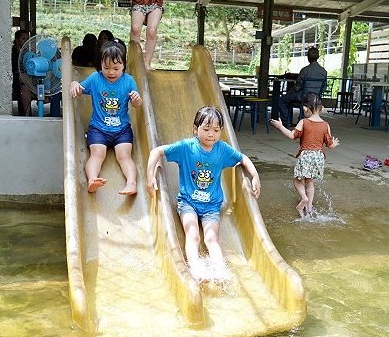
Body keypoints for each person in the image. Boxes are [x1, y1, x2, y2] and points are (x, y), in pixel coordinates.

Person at [146, 106, 261, 280]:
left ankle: (220, 270)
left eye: (216, 130)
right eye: (206, 129)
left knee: (211, 239)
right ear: (195, 129)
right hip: (188, 203)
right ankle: (196, 268)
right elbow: (157, 151)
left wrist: (255, 176)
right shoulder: (186, 147)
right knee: (192, 234)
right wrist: (150, 177)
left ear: (221, 131)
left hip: (211, 206)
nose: (211, 134)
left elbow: (242, 158)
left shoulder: (222, 149)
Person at [69, 39, 142, 195]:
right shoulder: (96, 78)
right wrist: (75, 83)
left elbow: (137, 104)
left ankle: (131, 183)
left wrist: (136, 99)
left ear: (124, 66)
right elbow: (80, 89)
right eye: (106, 67)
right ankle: (92, 180)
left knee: (124, 156)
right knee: (97, 154)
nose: (111, 72)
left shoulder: (129, 81)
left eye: (116, 68)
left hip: (122, 129)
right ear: (100, 65)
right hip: (98, 129)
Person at [270, 92, 339, 218]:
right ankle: (310, 207)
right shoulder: (325, 125)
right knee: (310, 181)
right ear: (321, 108)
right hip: (318, 156)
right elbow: (329, 145)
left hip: (306, 155)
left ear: (305, 109)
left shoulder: (304, 122)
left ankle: (304, 198)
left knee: (297, 179)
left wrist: (280, 126)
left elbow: (292, 135)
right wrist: (334, 143)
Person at [274, 46, 327, 127]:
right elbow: (324, 88)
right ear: (318, 57)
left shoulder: (305, 70)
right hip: (316, 97)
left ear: (308, 57)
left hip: (303, 96)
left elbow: (297, 86)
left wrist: (290, 92)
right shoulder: (324, 71)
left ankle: (285, 122)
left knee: (281, 100)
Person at [11, 29, 32, 116]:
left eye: (28, 39)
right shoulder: (12, 52)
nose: (26, 41)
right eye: (23, 39)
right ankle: (27, 114)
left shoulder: (29, 53)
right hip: (15, 79)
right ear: (17, 40)